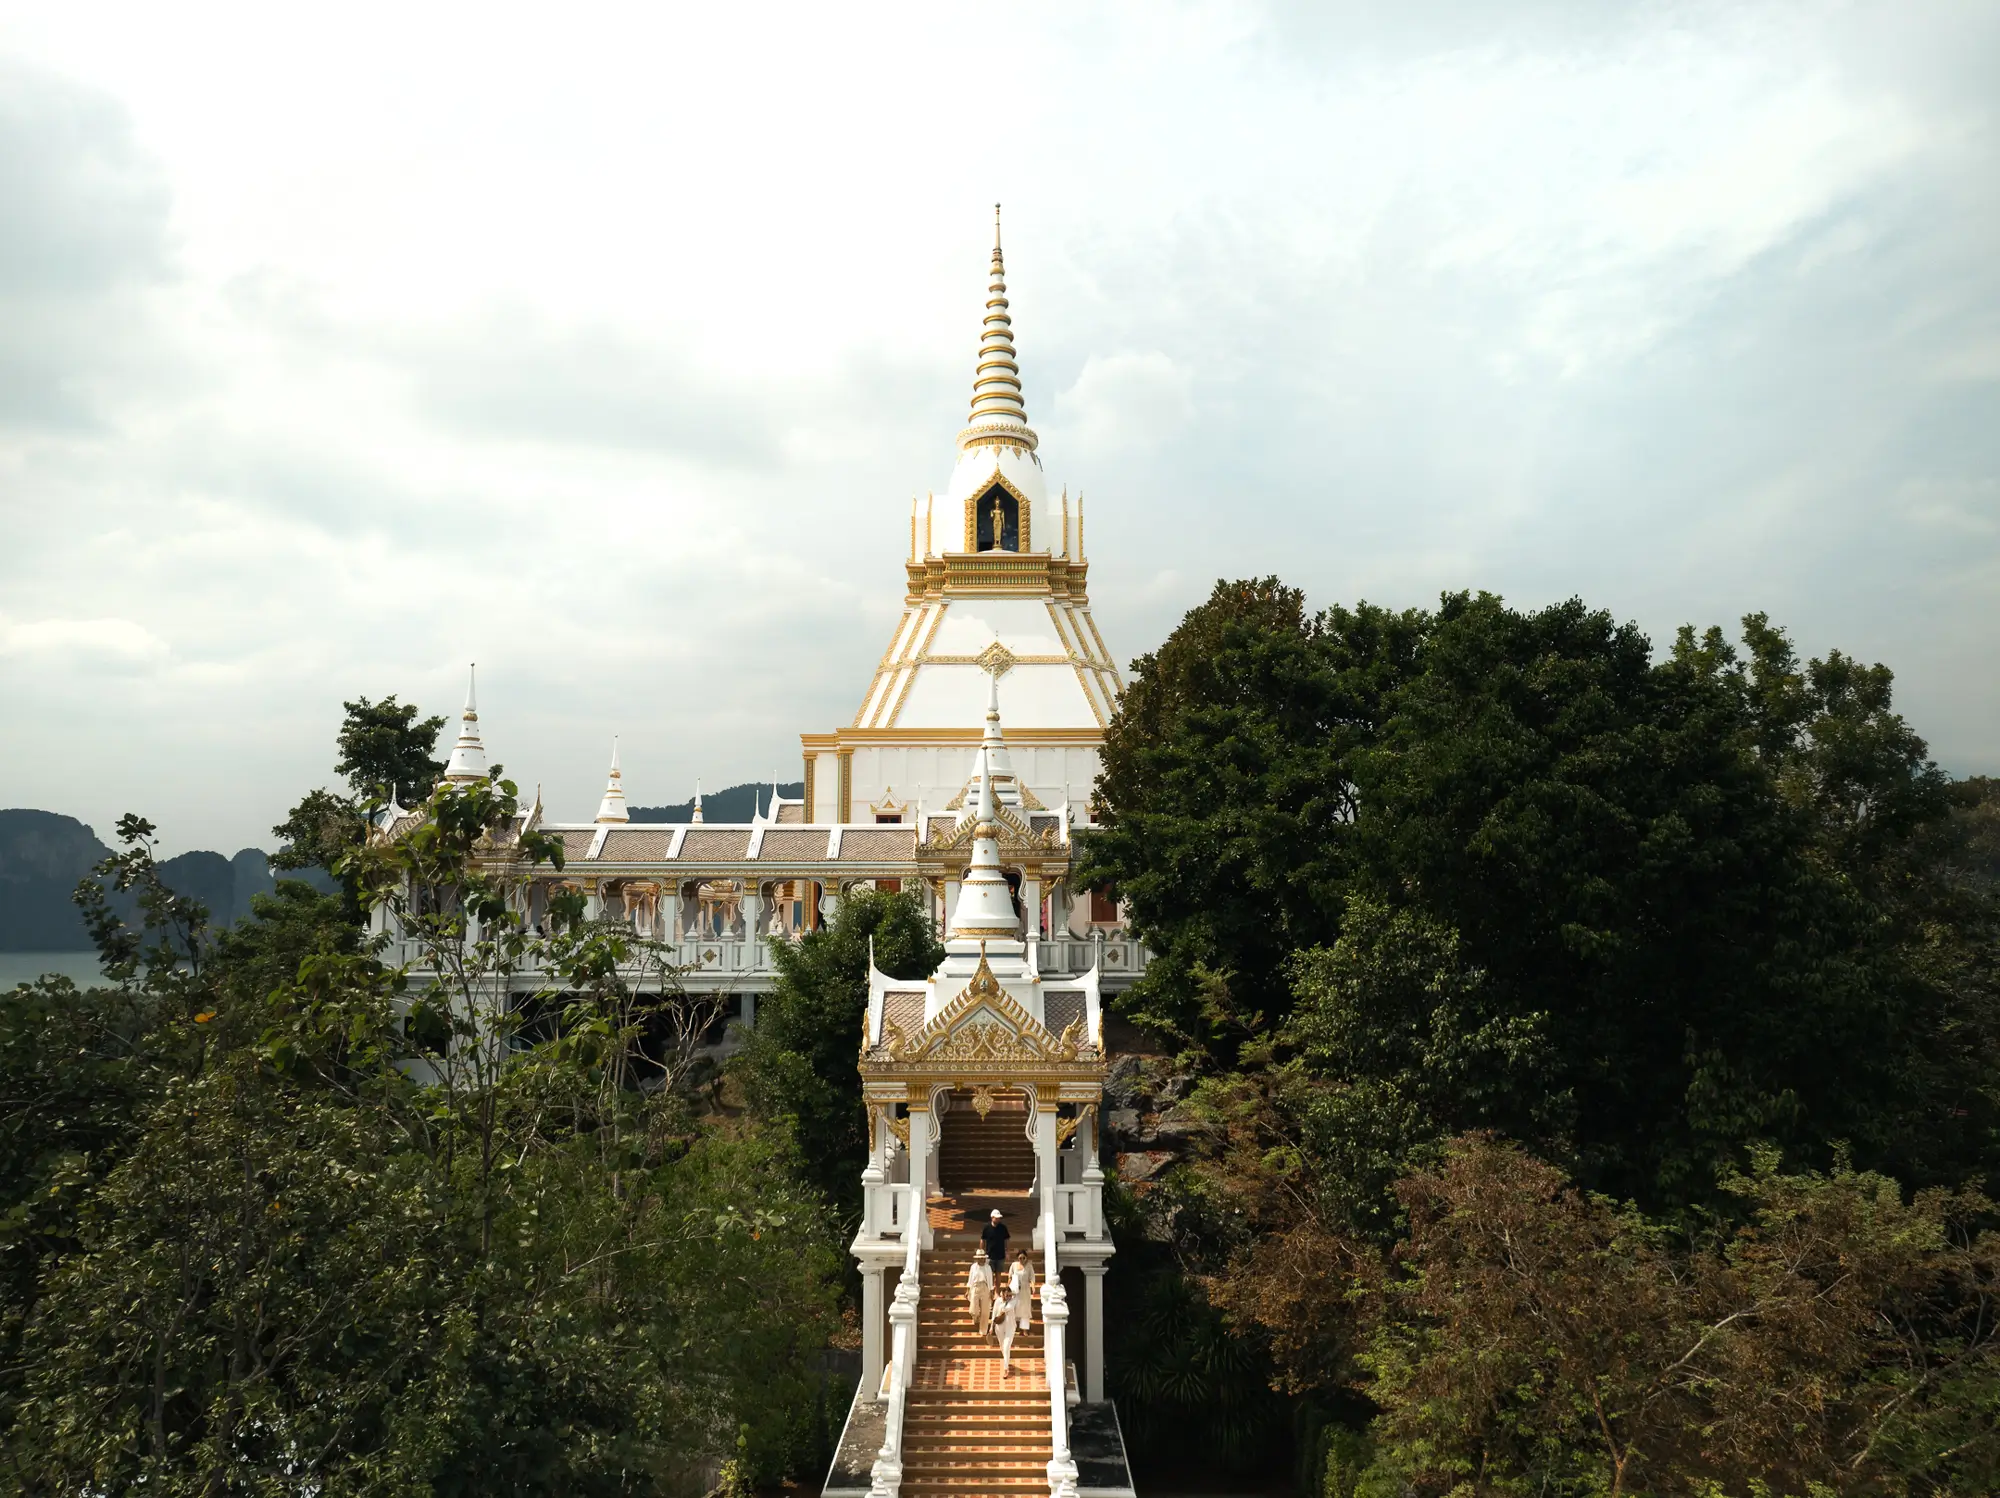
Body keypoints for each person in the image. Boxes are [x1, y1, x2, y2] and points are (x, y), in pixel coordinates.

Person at [991, 1283, 1019, 1374]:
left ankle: (1005, 1369)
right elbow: (994, 1314)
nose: (1006, 1297)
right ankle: (1006, 1360)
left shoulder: (1013, 1301)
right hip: (999, 1326)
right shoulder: (998, 1301)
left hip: (1010, 1327)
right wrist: (991, 1327)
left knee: (1007, 1346)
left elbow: (1006, 1308)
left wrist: (1011, 1296)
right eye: (1004, 1294)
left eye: (1008, 1295)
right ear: (1001, 1293)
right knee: (1002, 1346)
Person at [966, 1254, 994, 1332]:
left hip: (985, 1287)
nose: (982, 1260)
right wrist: (968, 1290)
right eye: (980, 1258)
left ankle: (983, 1330)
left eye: (983, 1258)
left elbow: (990, 1280)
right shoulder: (973, 1267)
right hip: (975, 1287)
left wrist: (991, 1291)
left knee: (985, 1311)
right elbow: (970, 1279)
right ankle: (976, 1318)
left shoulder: (988, 1267)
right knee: (973, 1310)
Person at [1009, 1250, 1033, 1330]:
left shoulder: (1029, 1266)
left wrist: (1033, 1287)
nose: (1022, 1260)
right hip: (1015, 1289)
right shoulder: (1014, 1265)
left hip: (1025, 1289)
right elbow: (1010, 1277)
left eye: (1023, 1258)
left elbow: (1032, 1278)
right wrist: (1008, 1288)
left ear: (1026, 1258)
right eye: (1020, 1258)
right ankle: (1013, 1327)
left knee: (1025, 1309)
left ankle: (1024, 1329)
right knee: (1015, 1307)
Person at [980, 1208, 1010, 1272]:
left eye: (999, 1218)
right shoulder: (987, 1228)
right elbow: (983, 1240)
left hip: (1000, 1255)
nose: (998, 1220)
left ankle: (998, 1282)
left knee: (998, 1273)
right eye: (996, 1218)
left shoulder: (1003, 1228)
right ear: (992, 1217)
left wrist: (1007, 1252)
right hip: (990, 1255)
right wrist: (981, 1252)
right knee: (990, 1274)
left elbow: (1006, 1240)